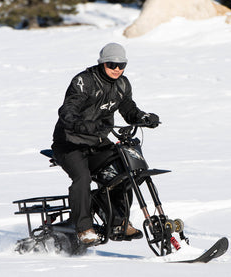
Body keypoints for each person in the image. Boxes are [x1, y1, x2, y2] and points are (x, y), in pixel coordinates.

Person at [51, 43, 160, 244]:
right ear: (102, 63)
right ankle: (84, 229)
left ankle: (119, 221)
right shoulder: (84, 81)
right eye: (112, 64)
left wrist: (144, 117)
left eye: (122, 65)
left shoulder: (123, 84)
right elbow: (67, 110)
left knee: (125, 171)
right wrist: (81, 125)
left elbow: (128, 109)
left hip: (99, 141)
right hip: (69, 142)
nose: (117, 69)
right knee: (82, 178)